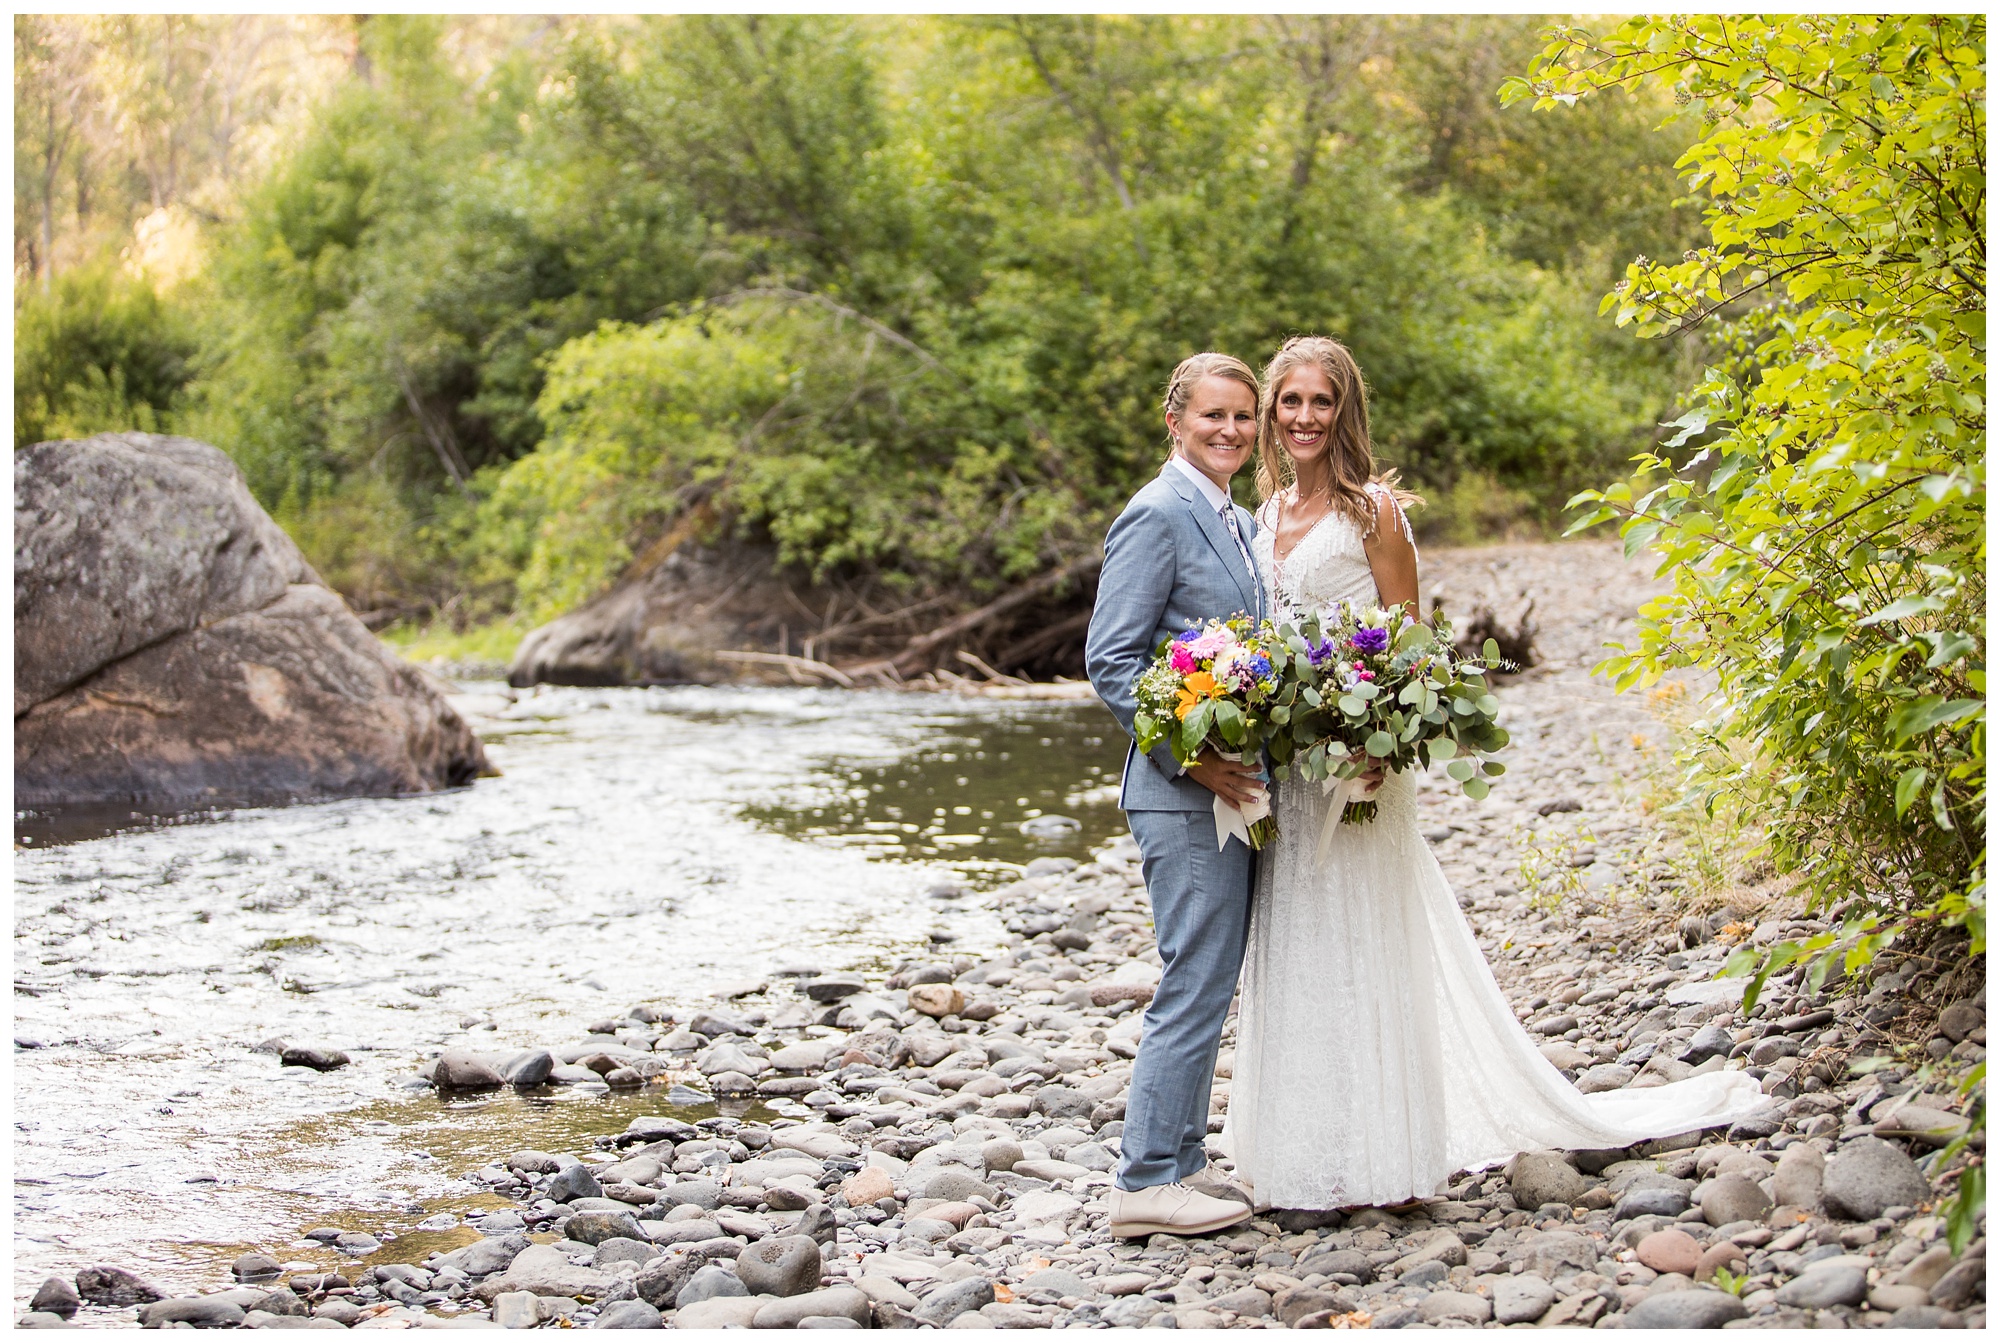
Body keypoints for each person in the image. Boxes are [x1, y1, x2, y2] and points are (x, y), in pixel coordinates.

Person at [1223, 335, 1766, 1212]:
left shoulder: (1375, 514)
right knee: (1295, 939)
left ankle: (1381, 1157)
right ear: (1272, 413)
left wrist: (1380, 740)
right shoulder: (1261, 516)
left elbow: (1406, 639)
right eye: (1290, 402)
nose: (1304, 417)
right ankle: (1302, 1149)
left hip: (1361, 757)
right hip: (1288, 764)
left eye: (1322, 401)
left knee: (1364, 935)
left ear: (1344, 409)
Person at [1084, 352, 1266, 1238]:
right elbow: (1110, 659)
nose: (1230, 431)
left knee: (1212, 973)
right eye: (1212, 417)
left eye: (1243, 417)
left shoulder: (1233, 516)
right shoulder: (1156, 513)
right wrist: (1193, 763)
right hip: (1181, 791)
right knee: (1192, 976)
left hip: (1233, 788)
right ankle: (1145, 1176)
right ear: (1175, 423)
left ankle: (1185, 1159)